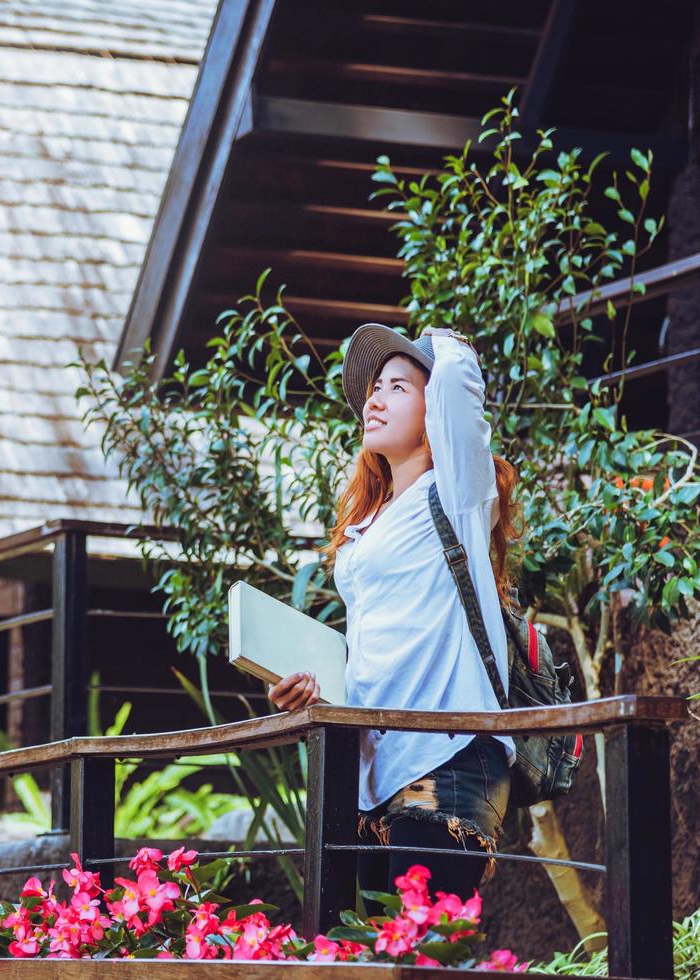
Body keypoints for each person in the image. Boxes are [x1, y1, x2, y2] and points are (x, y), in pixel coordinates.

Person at [267, 323, 523, 902]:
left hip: (446, 754)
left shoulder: (456, 494)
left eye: (397, 387)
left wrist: (433, 340)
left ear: (435, 411)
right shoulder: (366, 526)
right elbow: (376, 655)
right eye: (372, 388)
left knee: (422, 953)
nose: (373, 400)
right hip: (373, 769)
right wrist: (311, 691)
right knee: (377, 954)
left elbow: (458, 379)